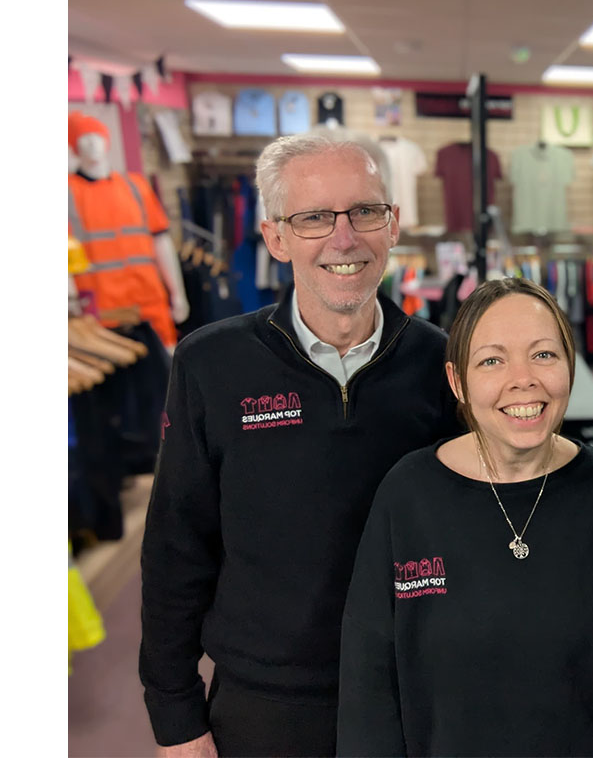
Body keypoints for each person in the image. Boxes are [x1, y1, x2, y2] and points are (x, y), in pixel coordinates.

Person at [139, 131, 461, 757]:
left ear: (393, 224)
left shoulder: (443, 362)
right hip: (265, 705)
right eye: (314, 217)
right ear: (277, 237)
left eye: (365, 211)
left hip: (415, 697)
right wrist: (174, 711)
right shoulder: (211, 362)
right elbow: (176, 544)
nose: (345, 238)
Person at [337, 277, 593, 757]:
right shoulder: (407, 495)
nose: (524, 379)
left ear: (569, 367)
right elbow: (368, 689)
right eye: (492, 360)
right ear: (458, 381)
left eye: (543, 355)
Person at [68, 111, 189, 348]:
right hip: (101, 311)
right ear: (73, 146)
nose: (92, 144)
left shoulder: (135, 186)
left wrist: (178, 293)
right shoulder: (68, 192)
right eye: (83, 138)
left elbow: (161, 241)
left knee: (167, 375)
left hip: (150, 300)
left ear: (107, 140)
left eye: (97, 137)